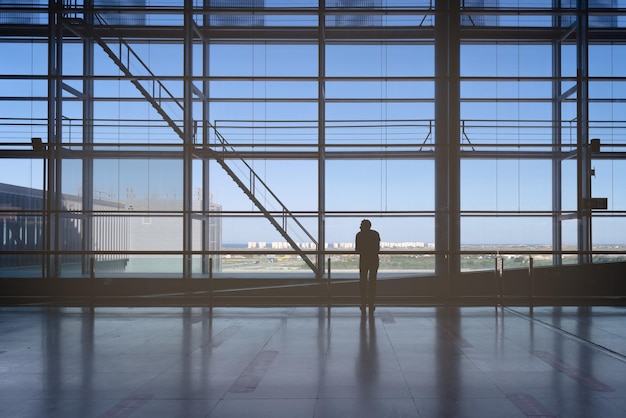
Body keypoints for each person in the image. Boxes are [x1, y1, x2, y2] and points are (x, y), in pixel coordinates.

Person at [355, 219, 380, 314]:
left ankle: (363, 303)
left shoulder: (359, 235)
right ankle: (371, 303)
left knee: (363, 282)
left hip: (364, 260)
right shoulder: (375, 234)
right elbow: (377, 248)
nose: (360, 226)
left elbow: (357, 250)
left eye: (361, 225)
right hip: (373, 260)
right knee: (373, 282)